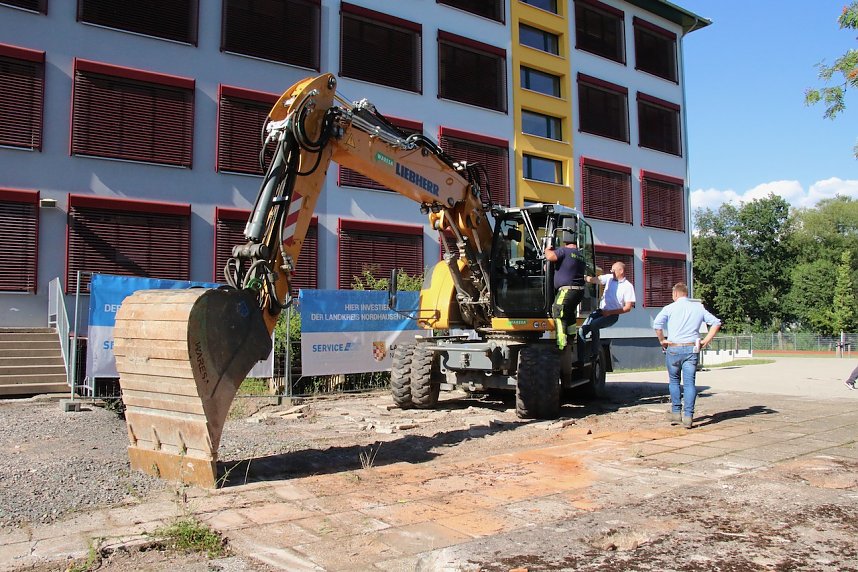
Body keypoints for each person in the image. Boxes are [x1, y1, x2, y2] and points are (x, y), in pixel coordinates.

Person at [653, 283, 721, 429]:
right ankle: (688, 416)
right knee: (690, 383)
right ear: (686, 294)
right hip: (691, 348)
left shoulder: (669, 308)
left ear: (676, 294)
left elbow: (657, 325)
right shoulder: (698, 308)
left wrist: (662, 340)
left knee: (674, 381)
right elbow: (716, 323)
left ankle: (676, 412)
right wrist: (704, 341)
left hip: (673, 348)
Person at [582, 261, 635, 357]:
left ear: (621, 271)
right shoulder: (609, 278)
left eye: (613, 270)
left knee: (594, 324)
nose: (611, 272)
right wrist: (580, 275)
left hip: (612, 315)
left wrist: (610, 312)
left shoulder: (628, 286)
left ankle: (595, 354)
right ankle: (581, 359)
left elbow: (627, 308)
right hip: (600, 311)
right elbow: (592, 280)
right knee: (581, 330)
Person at [545, 235, 586, 350]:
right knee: (570, 315)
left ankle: (561, 345)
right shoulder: (580, 255)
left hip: (567, 290)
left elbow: (551, 257)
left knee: (558, 312)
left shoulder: (564, 251)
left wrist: (547, 249)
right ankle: (571, 338)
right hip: (578, 292)